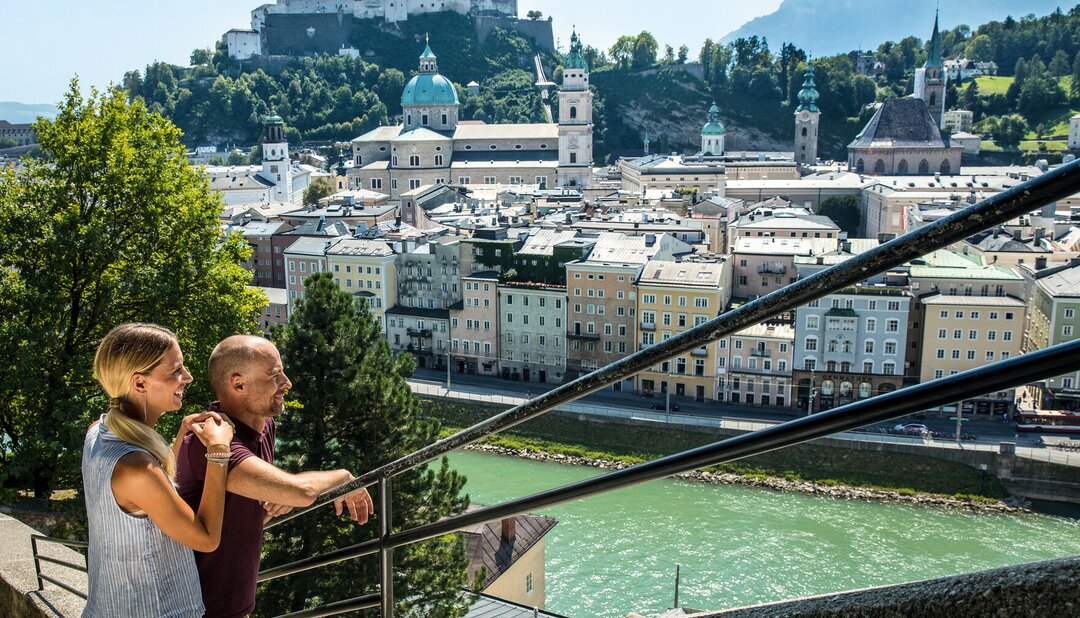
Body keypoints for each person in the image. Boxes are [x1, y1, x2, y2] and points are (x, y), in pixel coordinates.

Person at [176, 335, 375, 618]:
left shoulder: (264, 424)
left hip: (233, 601)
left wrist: (276, 497)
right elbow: (302, 491)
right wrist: (342, 477)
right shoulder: (211, 441)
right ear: (238, 384)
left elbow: (244, 512)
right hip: (195, 607)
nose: (287, 383)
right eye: (274, 376)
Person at [82, 323, 235, 618]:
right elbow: (205, 537)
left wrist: (180, 436)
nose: (188, 378)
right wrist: (219, 452)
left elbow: (152, 492)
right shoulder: (136, 468)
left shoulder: (96, 432)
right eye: (176, 370)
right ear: (139, 384)